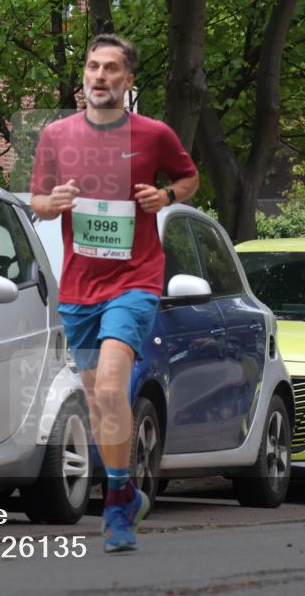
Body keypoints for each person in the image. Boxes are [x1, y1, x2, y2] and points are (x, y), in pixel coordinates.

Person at [29, 34, 200, 552]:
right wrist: (54, 201)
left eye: (110, 68)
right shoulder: (56, 135)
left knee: (109, 389)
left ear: (128, 80)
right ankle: (125, 491)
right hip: (79, 289)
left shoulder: (154, 134)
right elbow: (37, 202)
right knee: (96, 399)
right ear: (84, 76)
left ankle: (114, 508)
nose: (99, 76)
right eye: (92, 67)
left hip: (134, 281)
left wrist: (164, 195)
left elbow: (189, 178)